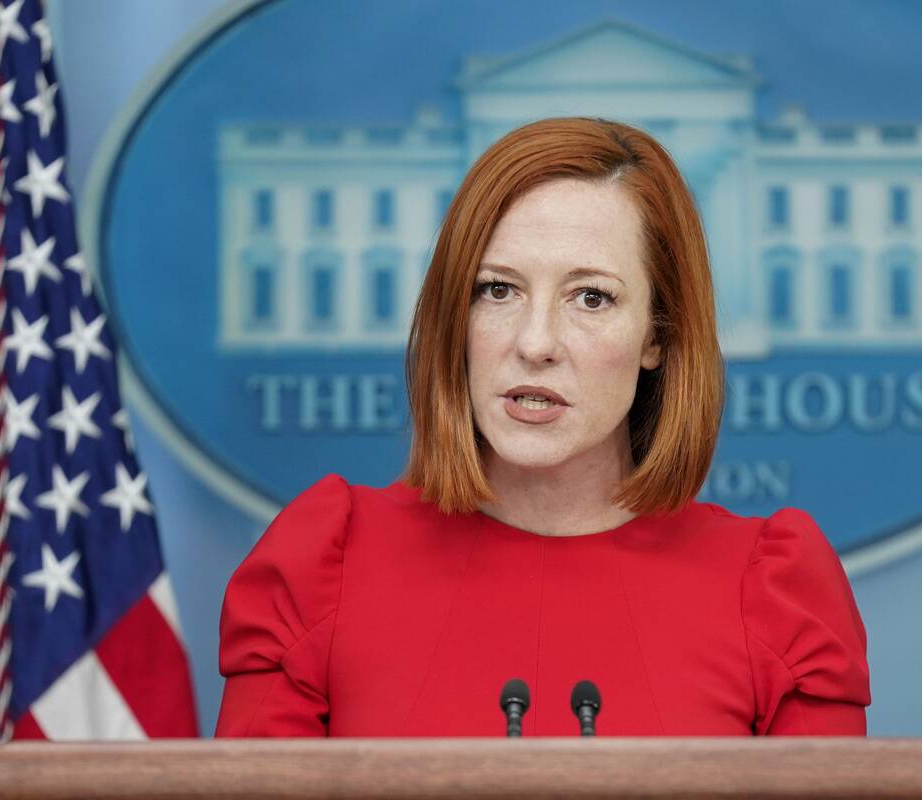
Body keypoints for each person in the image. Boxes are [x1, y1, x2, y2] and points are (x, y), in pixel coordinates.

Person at [215, 117, 870, 737]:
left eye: (591, 297)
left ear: (657, 336)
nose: (534, 343)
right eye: (497, 290)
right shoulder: (322, 566)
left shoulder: (774, 593)